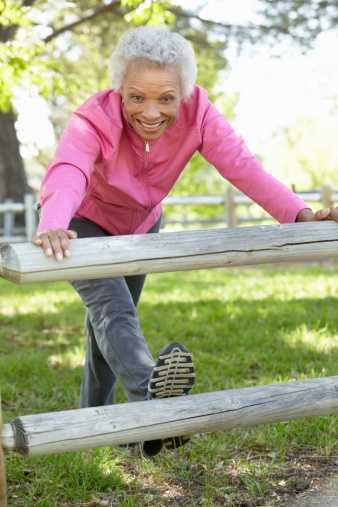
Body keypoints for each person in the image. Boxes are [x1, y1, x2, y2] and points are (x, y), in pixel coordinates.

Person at [32, 25, 338, 457]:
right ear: (119, 90)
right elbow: (69, 169)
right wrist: (54, 222)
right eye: (137, 97)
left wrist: (300, 213)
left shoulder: (200, 114)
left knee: (109, 327)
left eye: (166, 98)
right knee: (113, 311)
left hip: (141, 227)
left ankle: (93, 425)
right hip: (82, 223)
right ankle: (156, 406)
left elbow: (242, 166)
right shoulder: (94, 117)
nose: (151, 112)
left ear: (185, 93)